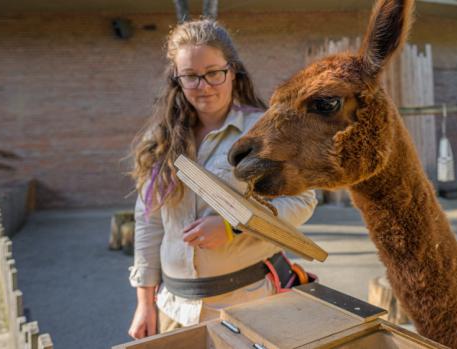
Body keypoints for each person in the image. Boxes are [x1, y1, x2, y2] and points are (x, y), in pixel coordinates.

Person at [127, 19, 317, 339]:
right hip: (173, 308)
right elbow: (148, 221)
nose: (204, 86)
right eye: (191, 76)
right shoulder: (160, 140)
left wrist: (233, 225)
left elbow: (302, 202)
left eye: (214, 72)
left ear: (232, 70)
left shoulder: (262, 131)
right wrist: (145, 304)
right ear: (178, 79)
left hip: (247, 303)